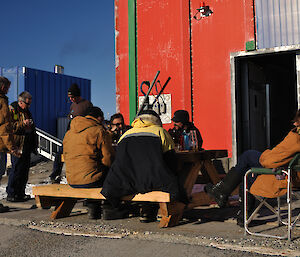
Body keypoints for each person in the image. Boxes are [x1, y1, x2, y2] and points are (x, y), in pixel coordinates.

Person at [205, 109, 300, 226]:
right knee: (246, 168)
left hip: (286, 176)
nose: (294, 123)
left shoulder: (296, 138)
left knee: (247, 158)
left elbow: (271, 161)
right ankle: (238, 212)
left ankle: (223, 193)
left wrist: (266, 155)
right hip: (291, 173)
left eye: (296, 121)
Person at [101, 110, 185, 222]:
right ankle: (151, 210)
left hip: (124, 181)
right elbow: (171, 161)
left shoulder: (126, 134)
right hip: (153, 180)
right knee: (169, 180)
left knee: (144, 177)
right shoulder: (161, 132)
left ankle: (125, 209)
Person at [63, 106, 114, 219]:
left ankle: (93, 206)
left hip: (71, 179)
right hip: (91, 180)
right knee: (111, 172)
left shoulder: (69, 133)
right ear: (99, 118)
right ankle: (110, 207)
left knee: (91, 169)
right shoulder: (99, 131)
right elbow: (108, 158)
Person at [48, 83, 93, 183]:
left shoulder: (86, 104)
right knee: (60, 152)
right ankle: (55, 174)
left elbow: (91, 119)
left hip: (82, 135)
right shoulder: (72, 105)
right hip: (71, 133)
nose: (71, 99)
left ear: (77, 95)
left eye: (72, 97)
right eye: (69, 97)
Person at [6, 91, 37, 202]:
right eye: (27, 104)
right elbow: (10, 127)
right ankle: (11, 193)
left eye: (30, 104)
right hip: (18, 144)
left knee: (24, 170)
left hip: (27, 144)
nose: (29, 106)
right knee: (16, 169)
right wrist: (23, 123)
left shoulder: (27, 111)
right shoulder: (13, 110)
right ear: (20, 102)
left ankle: (20, 192)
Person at [0, 77, 18, 211]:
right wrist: (11, 146)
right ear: (2, 87)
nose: (8, 90)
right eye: (7, 87)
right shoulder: (2, 101)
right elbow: (4, 127)